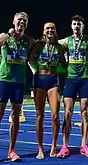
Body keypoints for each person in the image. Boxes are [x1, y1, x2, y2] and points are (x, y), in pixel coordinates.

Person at [0, 12, 35, 164]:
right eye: (19, 20)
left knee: (15, 116)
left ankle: (12, 150)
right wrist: (7, 35)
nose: (22, 23)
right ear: (13, 21)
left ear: (27, 24)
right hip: (4, 80)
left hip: (19, 82)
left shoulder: (28, 41)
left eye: (24, 21)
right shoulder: (5, 36)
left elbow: (33, 57)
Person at [27, 22, 67, 159]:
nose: (50, 30)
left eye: (52, 28)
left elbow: (64, 64)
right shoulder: (38, 45)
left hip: (53, 81)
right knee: (40, 116)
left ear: (55, 31)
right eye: (47, 28)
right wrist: (35, 72)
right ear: (44, 31)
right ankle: (40, 149)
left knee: (55, 116)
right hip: (39, 80)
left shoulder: (59, 47)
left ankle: (54, 146)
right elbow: (29, 59)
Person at [57, 15, 88, 158]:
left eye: (79, 24)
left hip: (85, 79)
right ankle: (64, 146)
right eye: (74, 24)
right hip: (71, 80)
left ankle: (84, 145)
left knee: (84, 112)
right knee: (67, 113)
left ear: (83, 26)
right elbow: (51, 43)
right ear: (71, 26)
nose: (76, 26)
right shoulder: (67, 41)